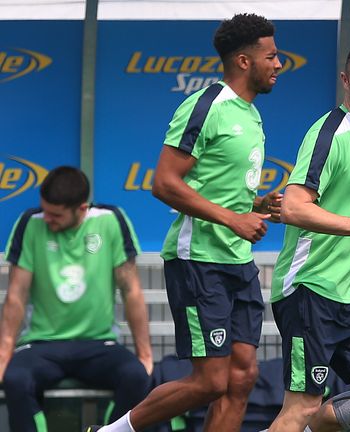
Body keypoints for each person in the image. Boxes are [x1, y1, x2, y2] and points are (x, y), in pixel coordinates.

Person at [86, 12, 283, 432]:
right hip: (198, 261)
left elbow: (218, 189)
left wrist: (258, 204)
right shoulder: (205, 106)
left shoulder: (251, 114)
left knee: (243, 377)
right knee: (210, 381)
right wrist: (233, 220)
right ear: (244, 61)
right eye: (271, 56)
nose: (279, 64)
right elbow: (164, 183)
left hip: (237, 262)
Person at [267, 41, 350, 432]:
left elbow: (346, 212)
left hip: (349, 295)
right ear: (345, 80)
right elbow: (293, 208)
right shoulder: (329, 133)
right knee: (301, 407)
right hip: (309, 290)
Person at [0, 166, 153, 432]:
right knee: (15, 379)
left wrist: (146, 354)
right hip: (42, 345)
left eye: (56, 214)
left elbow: (131, 291)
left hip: (99, 343)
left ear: (81, 208)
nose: (47, 218)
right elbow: (17, 295)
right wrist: (4, 355)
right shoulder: (30, 222)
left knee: (136, 376)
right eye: (45, 210)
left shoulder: (110, 220)